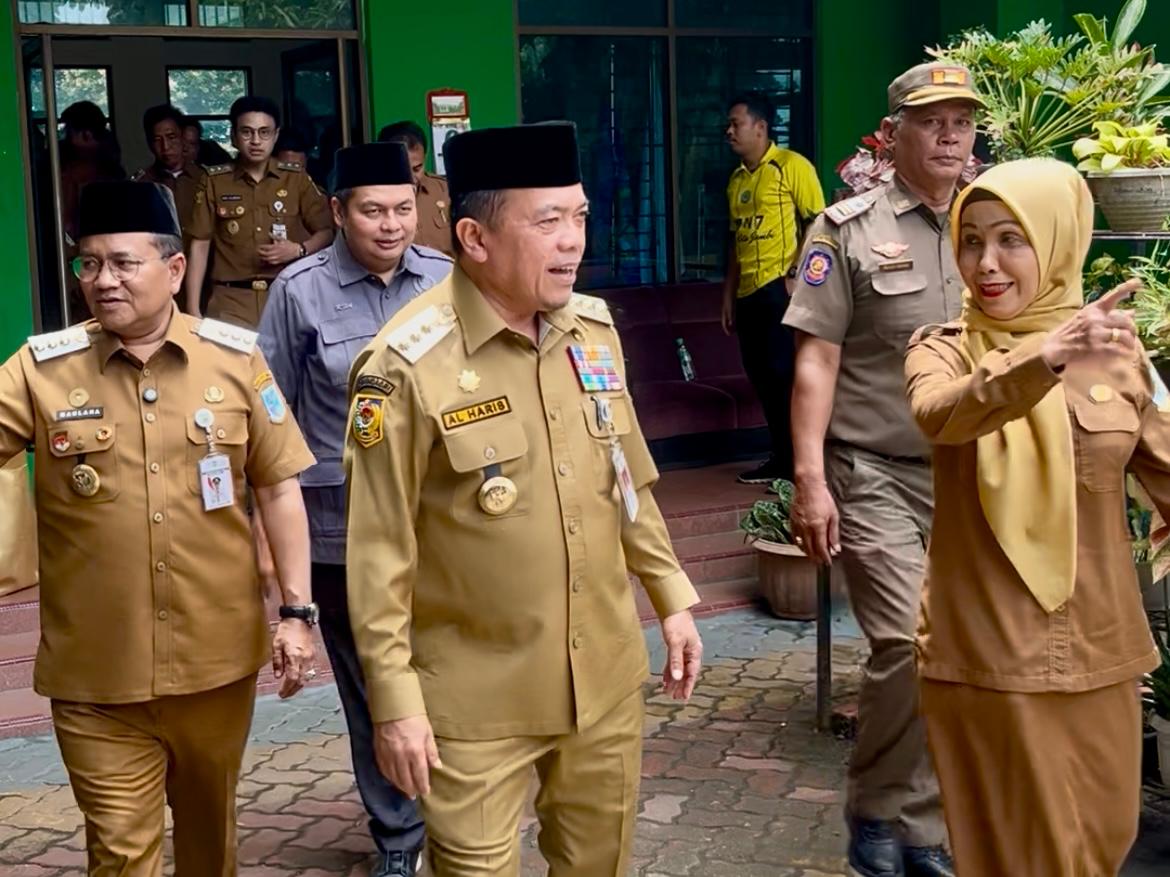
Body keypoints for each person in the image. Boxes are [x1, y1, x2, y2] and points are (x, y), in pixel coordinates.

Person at [344, 123, 704, 875]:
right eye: (547, 221)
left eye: (578, 217)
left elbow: (625, 475)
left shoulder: (593, 332)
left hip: (602, 681)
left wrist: (671, 596)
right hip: (474, 704)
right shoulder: (404, 365)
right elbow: (378, 551)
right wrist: (394, 699)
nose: (572, 241)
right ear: (474, 236)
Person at [0, 180, 318, 875]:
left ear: (174, 270)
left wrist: (296, 610)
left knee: (211, 842)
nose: (102, 281)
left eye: (122, 262)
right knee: (118, 850)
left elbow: (279, 485)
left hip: (215, 666)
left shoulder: (234, 359)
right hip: (95, 674)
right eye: (88, 264)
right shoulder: (39, 370)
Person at [905, 158, 1162, 876]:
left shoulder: (1118, 354)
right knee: (1030, 859)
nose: (987, 263)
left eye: (1012, 239)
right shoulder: (943, 349)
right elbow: (940, 415)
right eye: (972, 240)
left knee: (1103, 842)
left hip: (1102, 652)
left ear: (1057, 241)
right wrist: (1039, 359)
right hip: (988, 654)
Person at [784, 61, 984, 877]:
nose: (949, 135)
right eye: (931, 120)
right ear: (891, 132)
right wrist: (809, 476)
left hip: (973, 476)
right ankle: (877, 806)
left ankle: (921, 826)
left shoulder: (993, 222)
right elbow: (815, 362)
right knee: (906, 640)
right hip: (873, 469)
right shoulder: (847, 229)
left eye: (962, 121)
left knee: (960, 650)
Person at [257, 141, 452, 877]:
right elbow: (268, 414)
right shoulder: (299, 291)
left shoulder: (444, 281)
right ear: (338, 212)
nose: (392, 224)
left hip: (439, 522)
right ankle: (399, 839)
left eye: (403, 209)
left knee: (445, 673)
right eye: (373, 210)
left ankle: (458, 815)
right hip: (338, 528)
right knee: (372, 686)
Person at [722, 92, 825, 485]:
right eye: (728, 126)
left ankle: (802, 464)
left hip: (780, 290)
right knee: (762, 377)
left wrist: (797, 273)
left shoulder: (791, 166)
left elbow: (819, 223)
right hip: (748, 293)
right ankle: (780, 458)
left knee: (785, 376)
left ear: (761, 127)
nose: (729, 131)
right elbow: (734, 240)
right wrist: (728, 294)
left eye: (737, 124)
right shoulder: (736, 180)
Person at [185, 96, 333, 328]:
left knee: (280, 366)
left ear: (275, 136)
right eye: (247, 132)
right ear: (233, 136)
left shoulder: (295, 178)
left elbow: (327, 230)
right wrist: (193, 309)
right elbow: (200, 245)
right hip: (229, 302)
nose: (256, 141)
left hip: (285, 297)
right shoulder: (214, 181)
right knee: (230, 365)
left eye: (264, 132)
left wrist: (298, 249)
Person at [131, 104, 207, 250]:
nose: (165, 147)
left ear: (183, 138)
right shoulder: (141, 184)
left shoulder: (206, 179)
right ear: (149, 143)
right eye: (157, 140)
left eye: (171, 137)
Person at [377, 120, 454, 256]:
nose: (411, 178)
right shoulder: (373, 198)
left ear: (425, 156)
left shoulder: (445, 191)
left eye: (417, 168)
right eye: (403, 169)